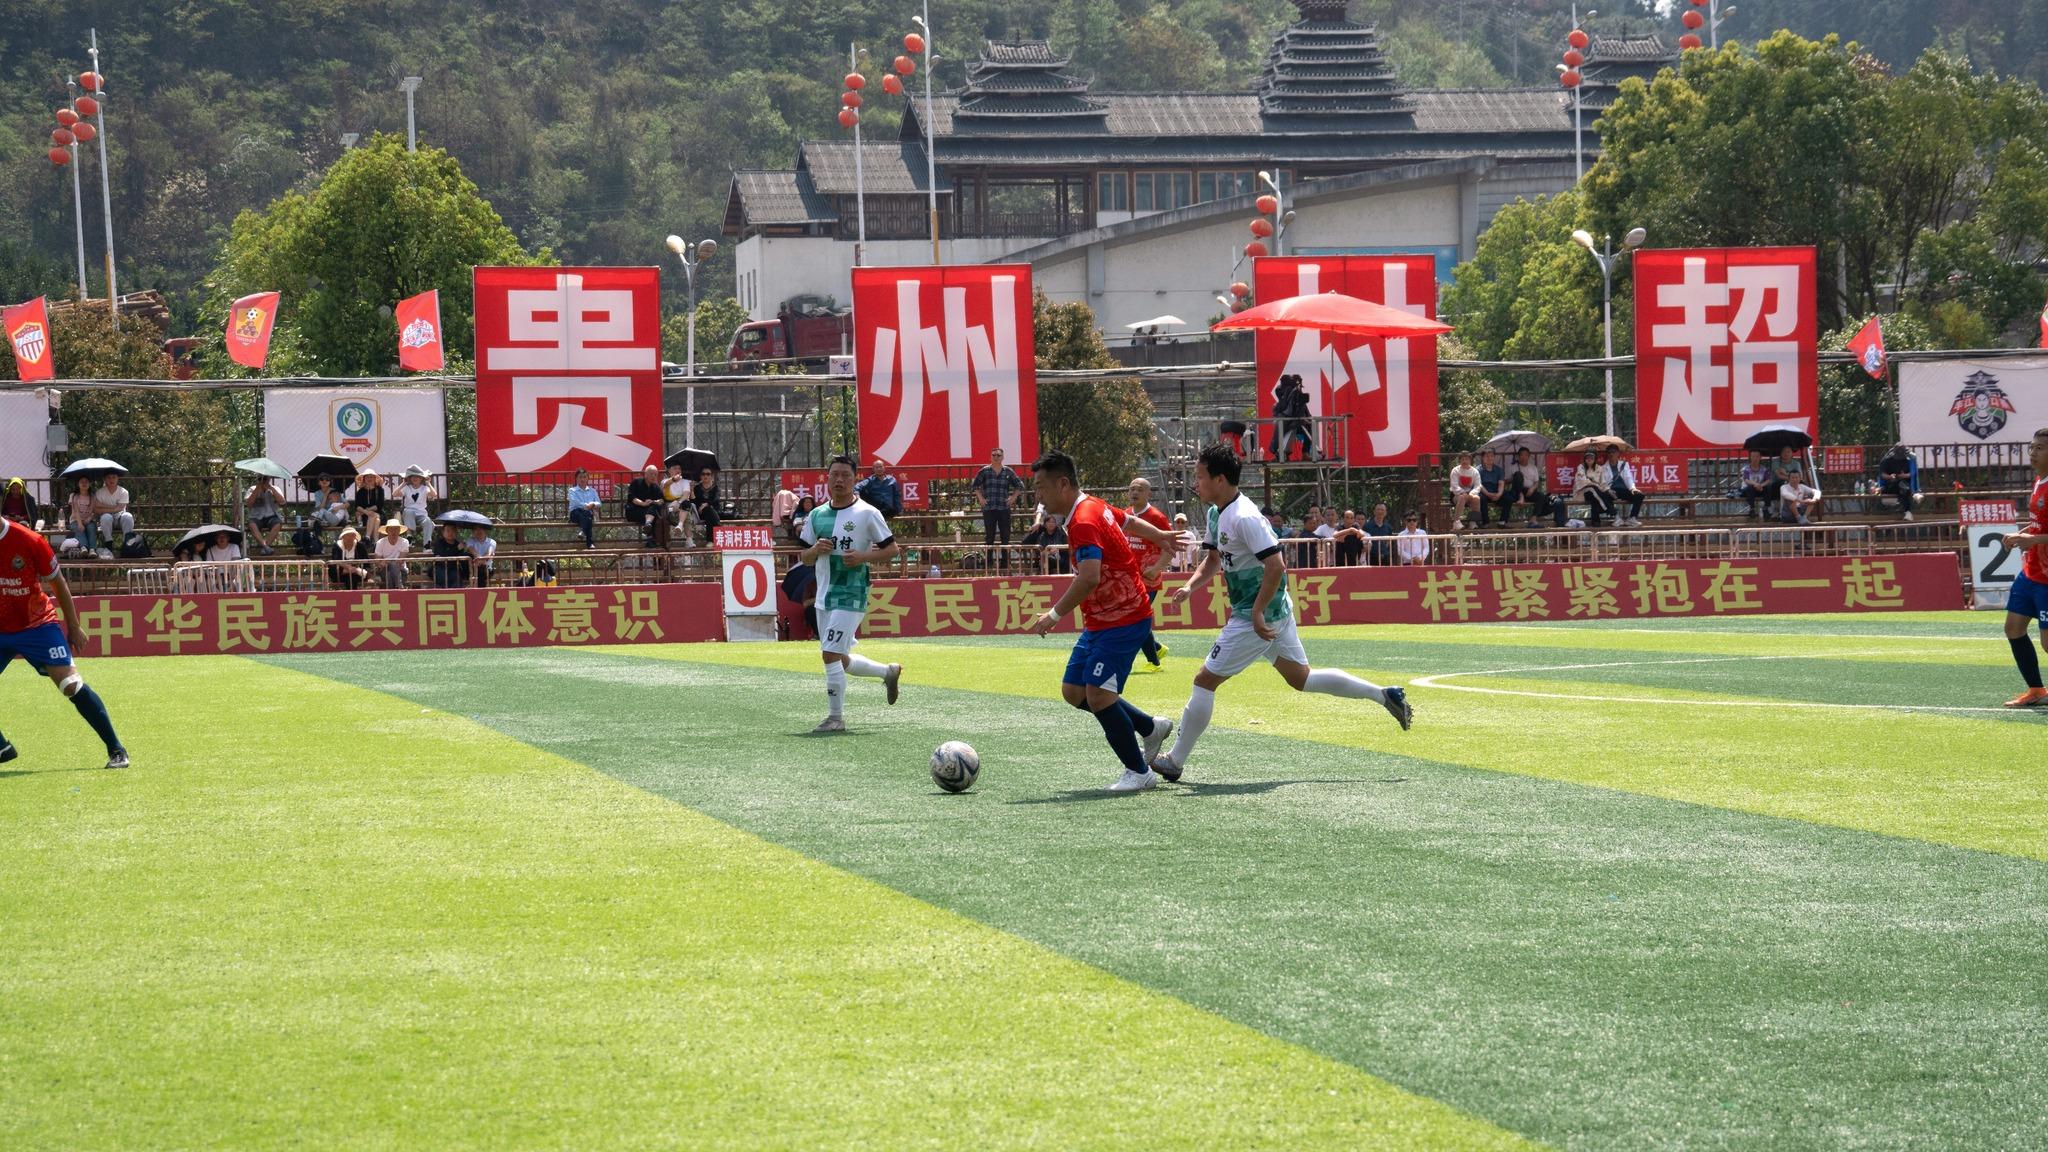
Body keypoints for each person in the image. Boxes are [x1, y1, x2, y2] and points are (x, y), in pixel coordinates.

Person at [1149, 442, 1409, 786]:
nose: (1196, 483)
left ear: (1220, 479)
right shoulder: (1216, 513)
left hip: (1257, 615)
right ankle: (1384, 695)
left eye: (1199, 477)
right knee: (1302, 678)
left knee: (1204, 680)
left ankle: (1175, 761)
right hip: (1272, 609)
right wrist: (1189, 587)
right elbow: (1212, 561)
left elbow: (1276, 566)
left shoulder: (1245, 517)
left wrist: (1257, 613)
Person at [1023, 450, 1188, 793]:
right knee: (1074, 691)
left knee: (1098, 696)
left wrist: (1053, 616)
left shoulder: (1084, 519)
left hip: (1123, 618)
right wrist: (1159, 536)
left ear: (1063, 484)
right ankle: (1149, 727)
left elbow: (1089, 577)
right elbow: (1128, 522)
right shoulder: (1092, 505)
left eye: (1040, 487)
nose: (1037, 495)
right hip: (1102, 620)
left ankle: (1139, 772)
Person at [0, 514, 127, 770]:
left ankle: (117, 750)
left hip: (36, 625)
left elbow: (57, 582)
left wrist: (74, 626)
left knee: (70, 684)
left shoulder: (29, 540)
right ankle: (2, 747)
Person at [796, 455, 903, 733]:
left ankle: (835, 718)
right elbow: (804, 557)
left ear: (855, 479)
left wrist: (863, 557)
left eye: (845, 475)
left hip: (852, 591)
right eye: (835, 475)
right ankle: (887, 672)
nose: (839, 480)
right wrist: (814, 550)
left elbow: (892, 549)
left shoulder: (867, 513)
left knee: (830, 653)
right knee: (839, 658)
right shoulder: (816, 515)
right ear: (827, 478)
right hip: (824, 595)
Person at [1996, 427, 2048, 707]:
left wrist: (2031, 539)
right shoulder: (2039, 481)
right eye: (2032, 447)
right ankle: (2037, 690)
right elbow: (2040, 524)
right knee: (2013, 628)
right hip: (2031, 572)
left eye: (2040, 448)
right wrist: (2021, 534)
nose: (2033, 452)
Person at [1125, 476, 1173, 673]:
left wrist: (1156, 569)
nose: (1135, 492)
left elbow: (1170, 548)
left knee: (1136, 618)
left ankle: (1154, 662)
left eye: (1139, 489)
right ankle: (1157, 649)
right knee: (1134, 618)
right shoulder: (1125, 515)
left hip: (1148, 580)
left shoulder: (1156, 517)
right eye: (1132, 489)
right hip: (1128, 580)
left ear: (1148, 494)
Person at [971, 447, 1024, 572]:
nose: (996, 457)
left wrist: (1013, 498)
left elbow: (1020, 485)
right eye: (994, 455)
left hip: (1004, 508)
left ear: (1003, 457)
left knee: (1005, 536)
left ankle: (1005, 563)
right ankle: (988, 563)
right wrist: (980, 498)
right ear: (990, 457)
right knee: (989, 537)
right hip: (989, 508)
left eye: (999, 455)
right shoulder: (985, 471)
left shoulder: (1008, 471)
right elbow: (974, 485)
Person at [1271, 373, 1314, 461]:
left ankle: (1305, 453)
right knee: (1282, 433)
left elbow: (1302, 408)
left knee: (1310, 427)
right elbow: (1287, 406)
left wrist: (1307, 418)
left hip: (1295, 421)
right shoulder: (1285, 391)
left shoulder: (1294, 392)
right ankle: (1280, 454)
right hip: (1287, 420)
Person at [92, 472, 133, 560]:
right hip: (107, 521)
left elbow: (120, 508)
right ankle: (109, 543)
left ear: (117, 479)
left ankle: (127, 544)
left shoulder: (123, 491)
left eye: (114, 477)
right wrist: (114, 508)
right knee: (106, 517)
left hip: (120, 519)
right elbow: (96, 510)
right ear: (105, 479)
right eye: (109, 477)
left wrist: (103, 506)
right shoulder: (100, 492)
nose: (111, 480)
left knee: (128, 516)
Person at [1571, 449, 1615, 527]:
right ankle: (1608, 509)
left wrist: (1608, 490)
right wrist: (1594, 484)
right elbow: (1583, 481)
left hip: (1596, 493)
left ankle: (1596, 521)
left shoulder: (1599, 468)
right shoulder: (1581, 467)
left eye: (1591, 458)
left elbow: (1603, 483)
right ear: (1584, 458)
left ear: (1595, 459)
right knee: (1592, 489)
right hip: (1582, 492)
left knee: (1595, 497)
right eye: (1587, 457)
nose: (1589, 459)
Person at [1604, 446, 1645, 527]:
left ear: (1618, 453)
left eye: (1613, 452)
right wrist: (1608, 490)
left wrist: (1632, 488)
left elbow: (1628, 477)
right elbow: (1604, 482)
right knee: (1604, 495)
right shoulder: (1603, 468)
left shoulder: (1624, 464)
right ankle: (1616, 518)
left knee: (1639, 495)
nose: (1611, 454)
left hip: (1624, 490)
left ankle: (1632, 518)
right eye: (1609, 452)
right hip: (1612, 490)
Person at [242, 475, 284, 555]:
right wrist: (257, 489)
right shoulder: (252, 489)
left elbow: (282, 502)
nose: (263, 481)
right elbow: (249, 504)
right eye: (261, 479)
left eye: (265, 479)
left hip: (272, 516)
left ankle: (265, 547)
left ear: (269, 479)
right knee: (252, 525)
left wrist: (271, 489)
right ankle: (265, 547)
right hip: (256, 516)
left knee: (278, 524)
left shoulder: (275, 488)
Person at [625, 464, 665, 548]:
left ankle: (648, 525)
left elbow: (661, 500)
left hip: (648, 513)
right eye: (651, 474)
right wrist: (643, 503)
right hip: (634, 511)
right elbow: (632, 498)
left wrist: (654, 501)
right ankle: (650, 537)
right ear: (645, 474)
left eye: (655, 474)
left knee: (654, 508)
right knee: (653, 514)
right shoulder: (636, 482)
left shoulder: (655, 487)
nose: (653, 476)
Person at [1878, 446, 1918, 522]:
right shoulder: (1887, 461)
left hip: (1904, 485)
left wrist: (1904, 475)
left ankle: (1907, 512)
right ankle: (1907, 512)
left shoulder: (1908, 460)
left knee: (1904, 488)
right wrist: (1890, 477)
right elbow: (1882, 474)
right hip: (1890, 485)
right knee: (1901, 487)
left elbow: (1912, 473)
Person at [327, 526, 373, 590]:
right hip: (340, 573)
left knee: (351, 577)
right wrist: (349, 568)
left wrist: (367, 575)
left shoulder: (360, 546)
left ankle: (352, 595)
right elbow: (336, 559)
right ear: (343, 537)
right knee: (333, 568)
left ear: (355, 536)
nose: (350, 538)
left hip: (357, 573)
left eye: (352, 535)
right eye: (347, 535)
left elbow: (366, 562)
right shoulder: (337, 546)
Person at [1737, 451, 1778, 520]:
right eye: (1753, 456)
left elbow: (1768, 480)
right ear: (1750, 457)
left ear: (1760, 458)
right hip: (1748, 489)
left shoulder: (1764, 469)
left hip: (1760, 488)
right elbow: (1746, 480)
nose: (1755, 458)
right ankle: (1752, 509)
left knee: (1768, 488)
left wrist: (1761, 485)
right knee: (1750, 488)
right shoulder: (1746, 469)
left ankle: (1766, 508)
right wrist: (1756, 484)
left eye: (1757, 456)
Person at [567, 468, 602, 549]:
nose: (582, 479)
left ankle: (583, 531)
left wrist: (593, 504)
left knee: (588, 516)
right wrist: (587, 505)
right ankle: (589, 543)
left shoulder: (592, 491)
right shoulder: (572, 490)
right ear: (576, 479)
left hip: (588, 513)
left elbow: (599, 503)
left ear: (587, 478)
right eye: (580, 477)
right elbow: (575, 502)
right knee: (586, 515)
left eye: (584, 477)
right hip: (575, 513)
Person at [397, 466, 435, 538]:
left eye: (418, 477)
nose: (415, 478)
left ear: (421, 478)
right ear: (410, 478)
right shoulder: (406, 488)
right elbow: (394, 494)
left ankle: (427, 543)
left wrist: (428, 483)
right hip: (409, 515)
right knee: (408, 511)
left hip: (422, 515)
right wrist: (403, 484)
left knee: (428, 521)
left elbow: (434, 494)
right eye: (413, 476)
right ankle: (409, 535)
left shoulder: (425, 488)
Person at [64, 476, 98, 554]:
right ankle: (83, 547)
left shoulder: (92, 496)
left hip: (88, 520)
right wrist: (80, 523)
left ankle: (92, 549)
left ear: (89, 484)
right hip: (75, 520)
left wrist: (89, 519)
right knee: (79, 528)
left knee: (91, 527)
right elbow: (75, 510)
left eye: (86, 482)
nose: (84, 483)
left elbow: (94, 511)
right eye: (82, 482)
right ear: (78, 484)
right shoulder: (73, 496)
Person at [350, 470, 388, 539]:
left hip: (379, 513)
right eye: (367, 477)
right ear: (364, 479)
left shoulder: (380, 490)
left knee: (374, 516)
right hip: (365, 515)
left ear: (375, 478)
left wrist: (368, 510)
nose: (369, 479)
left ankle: (367, 537)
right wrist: (366, 512)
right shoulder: (360, 492)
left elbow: (379, 505)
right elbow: (357, 506)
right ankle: (375, 541)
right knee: (376, 519)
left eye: (371, 477)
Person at [1447, 452, 1481, 530]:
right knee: (1462, 497)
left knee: (1476, 498)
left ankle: (1473, 522)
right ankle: (1456, 522)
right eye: (1462, 459)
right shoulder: (1455, 470)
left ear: (1470, 461)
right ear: (1459, 461)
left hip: (1470, 493)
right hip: (1456, 494)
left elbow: (1478, 485)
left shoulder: (1475, 471)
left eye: (1466, 459)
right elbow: (1454, 486)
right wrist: (1463, 492)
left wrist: (1472, 493)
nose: (1464, 461)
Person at [661, 463, 693, 543]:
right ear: (669, 471)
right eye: (675, 468)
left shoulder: (685, 481)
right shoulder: (665, 481)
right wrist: (674, 479)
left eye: (679, 468)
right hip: (669, 508)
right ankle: (689, 539)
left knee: (686, 505)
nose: (678, 470)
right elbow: (665, 485)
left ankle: (680, 525)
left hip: (681, 505)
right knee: (686, 512)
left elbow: (686, 494)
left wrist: (678, 503)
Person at [429, 523, 469, 588]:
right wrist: (456, 549)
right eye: (448, 530)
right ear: (443, 532)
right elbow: (442, 555)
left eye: (453, 530)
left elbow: (461, 558)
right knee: (442, 577)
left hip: (453, 568)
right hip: (440, 567)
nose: (450, 533)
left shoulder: (458, 544)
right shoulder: (439, 543)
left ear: (456, 532)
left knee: (456, 579)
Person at [374, 518, 411, 588]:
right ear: (387, 531)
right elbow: (377, 561)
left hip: (401, 570)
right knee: (388, 572)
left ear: (399, 531)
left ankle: (394, 589)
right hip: (385, 569)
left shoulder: (404, 542)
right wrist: (382, 563)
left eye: (396, 529)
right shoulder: (380, 542)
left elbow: (400, 560)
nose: (394, 531)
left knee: (394, 566)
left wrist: (388, 561)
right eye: (391, 529)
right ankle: (398, 587)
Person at [1475, 450, 1508, 527]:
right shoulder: (1478, 470)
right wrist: (1488, 494)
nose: (1489, 458)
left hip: (1495, 490)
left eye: (1491, 456)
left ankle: (1502, 521)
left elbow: (1501, 483)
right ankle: (1485, 522)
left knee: (1508, 498)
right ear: (1483, 458)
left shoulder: (1499, 470)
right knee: (1480, 498)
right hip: (1484, 491)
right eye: (1487, 456)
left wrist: (1499, 494)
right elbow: (1479, 484)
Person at [690, 468, 724, 539]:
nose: (705, 476)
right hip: (701, 512)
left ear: (711, 476)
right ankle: (716, 534)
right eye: (703, 474)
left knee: (709, 512)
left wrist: (706, 504)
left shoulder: (716, 487)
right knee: (709, 512)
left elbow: (716, 499)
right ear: (700, 476)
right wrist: (692, 490)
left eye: (708, 474)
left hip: (715, 510)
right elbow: (694, 502)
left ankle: (711, 540)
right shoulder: (697, 488)